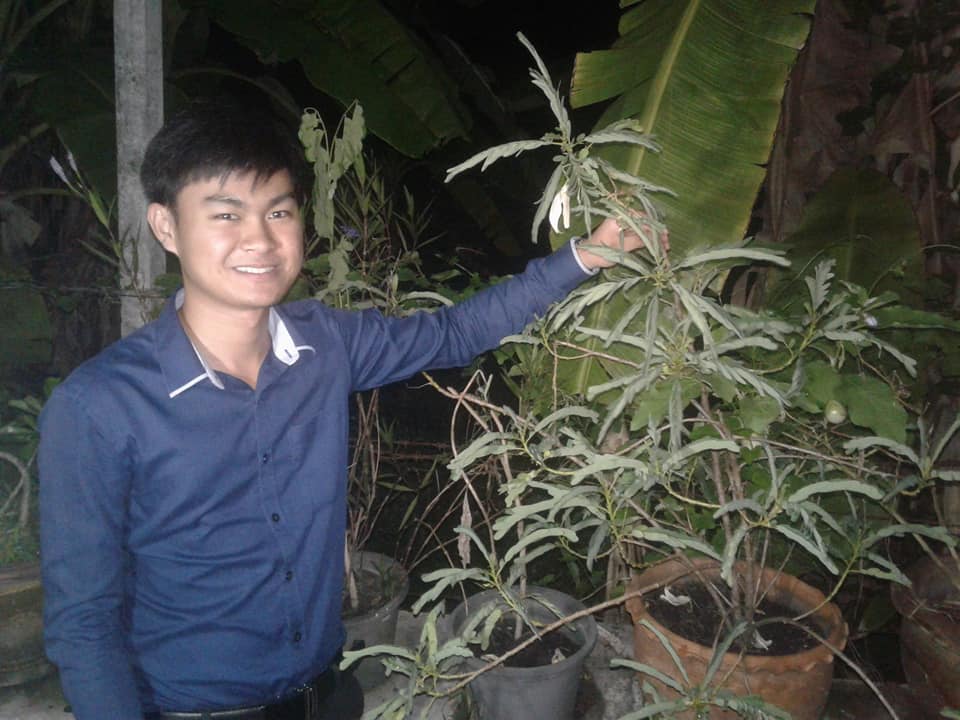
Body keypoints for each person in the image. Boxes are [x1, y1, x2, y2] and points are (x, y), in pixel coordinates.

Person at [38, 101, 650, 720]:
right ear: (166, 227)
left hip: (325, 694)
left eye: (279, 211)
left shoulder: (325, 343)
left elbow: (453, 333)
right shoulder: (101, 407)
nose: (260, 239)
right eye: (226, 214)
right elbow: (83, 624)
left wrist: (585, 256)